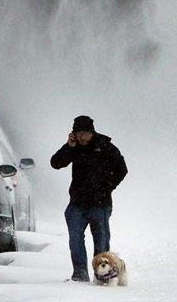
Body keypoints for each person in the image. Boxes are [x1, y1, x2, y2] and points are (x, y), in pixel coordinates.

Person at [51, 116, 128, 282]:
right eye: (79, 133)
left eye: (85, 133)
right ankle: (80, 274)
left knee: (101, 240)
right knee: (75, 239)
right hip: (77, 204)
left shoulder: (105, 146)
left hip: (100, 204)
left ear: (92, 132)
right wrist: (69, 147)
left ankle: (103, 276)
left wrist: (108, 187)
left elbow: (122, 169)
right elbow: (56, 163)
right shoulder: (74, 147)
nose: (82, 137)